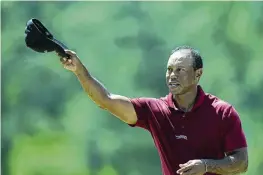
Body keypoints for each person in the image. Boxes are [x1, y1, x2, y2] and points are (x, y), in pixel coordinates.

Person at [58, 46, 248, 175]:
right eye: (169, 69)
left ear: (198, 74)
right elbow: (105, 100)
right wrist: (79, 71)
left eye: (180, 70)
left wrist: (206, 166)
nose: (172, 75)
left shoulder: (222, 112)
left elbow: (242, 162)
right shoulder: (155, 110)